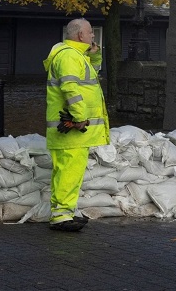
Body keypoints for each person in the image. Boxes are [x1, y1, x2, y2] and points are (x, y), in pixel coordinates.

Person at [43, 18, 110, 231]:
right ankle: (62, 216)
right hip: (72, 127)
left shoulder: (76, 56)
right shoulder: (70, 57)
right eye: (90, 32)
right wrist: (79, 117)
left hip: (71, 128)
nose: (92, 36)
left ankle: (64, 212)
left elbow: (91, 76)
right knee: (68, 172)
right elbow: (70, 88)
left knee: (66, 171)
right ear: (80, 35)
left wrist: (95, 55)